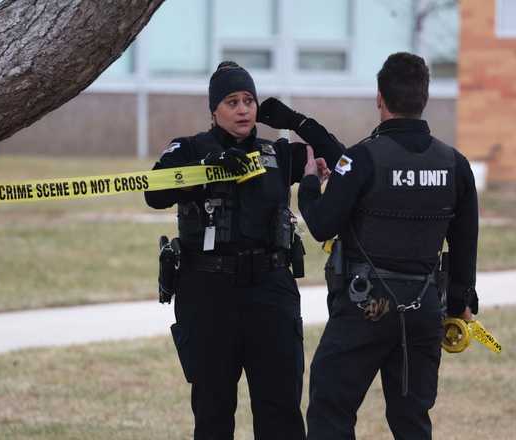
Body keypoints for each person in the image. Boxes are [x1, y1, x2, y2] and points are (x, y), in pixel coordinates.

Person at [144, 61, 342, 440]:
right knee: (213, 409)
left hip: (270, 292)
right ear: (214, 110)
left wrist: (296, 120)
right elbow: (154, 192)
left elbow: (342, 161)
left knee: (281, 409)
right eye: (232, 101)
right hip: (207, 293)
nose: (243, 109)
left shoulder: (278, 155)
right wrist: (206, 168)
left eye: (249, 100)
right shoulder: (188, 149)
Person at [297, 52, 479, 439]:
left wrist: (310, 185)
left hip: (366, 307)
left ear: (380, 98)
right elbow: (465, 245)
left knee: (331, 409)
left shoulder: (360, 159)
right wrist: (463, 300)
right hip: (424, 309)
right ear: (424, 97)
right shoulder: (455, 164)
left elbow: (320, 224)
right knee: (412, 421)